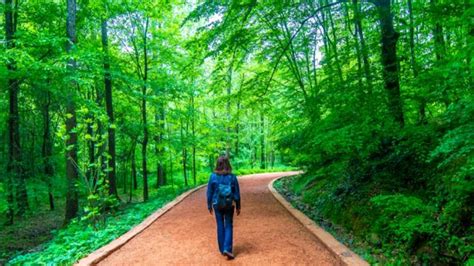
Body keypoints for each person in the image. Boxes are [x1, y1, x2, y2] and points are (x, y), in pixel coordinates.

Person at [206, 155, 241, 260]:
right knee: (229, 225)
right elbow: (237, 193)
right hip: (229, 204)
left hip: (217, 204)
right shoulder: (232, 177)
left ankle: (222, 250)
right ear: (228, 164)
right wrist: (238, 206)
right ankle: (227, 249)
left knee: (220, 225)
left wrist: (209, 205)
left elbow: (209, 193)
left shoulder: (212, 176)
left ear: (217, 164)